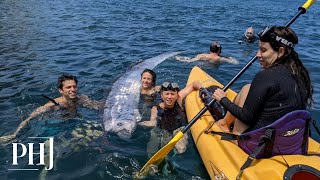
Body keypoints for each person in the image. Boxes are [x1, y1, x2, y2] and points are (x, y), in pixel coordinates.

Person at [213, 26, 313, 135]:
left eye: (263, 50)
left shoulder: (265, 76)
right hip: (291, 140)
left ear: (280, 51)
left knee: (246, 99)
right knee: (247, 88)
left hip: (262, 144)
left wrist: (223, 99)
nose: (258, 55)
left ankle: (235, 136)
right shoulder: (301, 73)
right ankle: (224, 123)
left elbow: (246, 117)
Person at [0, 74, 101, 142]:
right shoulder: (53, 104)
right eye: (68, 87)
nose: (73, 89)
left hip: (76, 120)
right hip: (58, 125)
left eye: (74, 86)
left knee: (98, 132)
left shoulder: (82, 99)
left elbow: (97, 105)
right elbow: (29, 118)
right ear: (60, 90)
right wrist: (15, 134)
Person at [138, 81, 202, 156]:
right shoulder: (156, 107)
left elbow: (194, 84)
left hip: (179, 129)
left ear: (176, 95)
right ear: (161, 95)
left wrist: (202, 89)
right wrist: (147, 123)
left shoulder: (179, 99)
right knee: (152, 150)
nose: (169, 97)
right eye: (167, 94)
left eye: (172, 94)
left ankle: (173, 158)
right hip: (161, 130)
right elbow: (153, 121)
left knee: (181, 149)